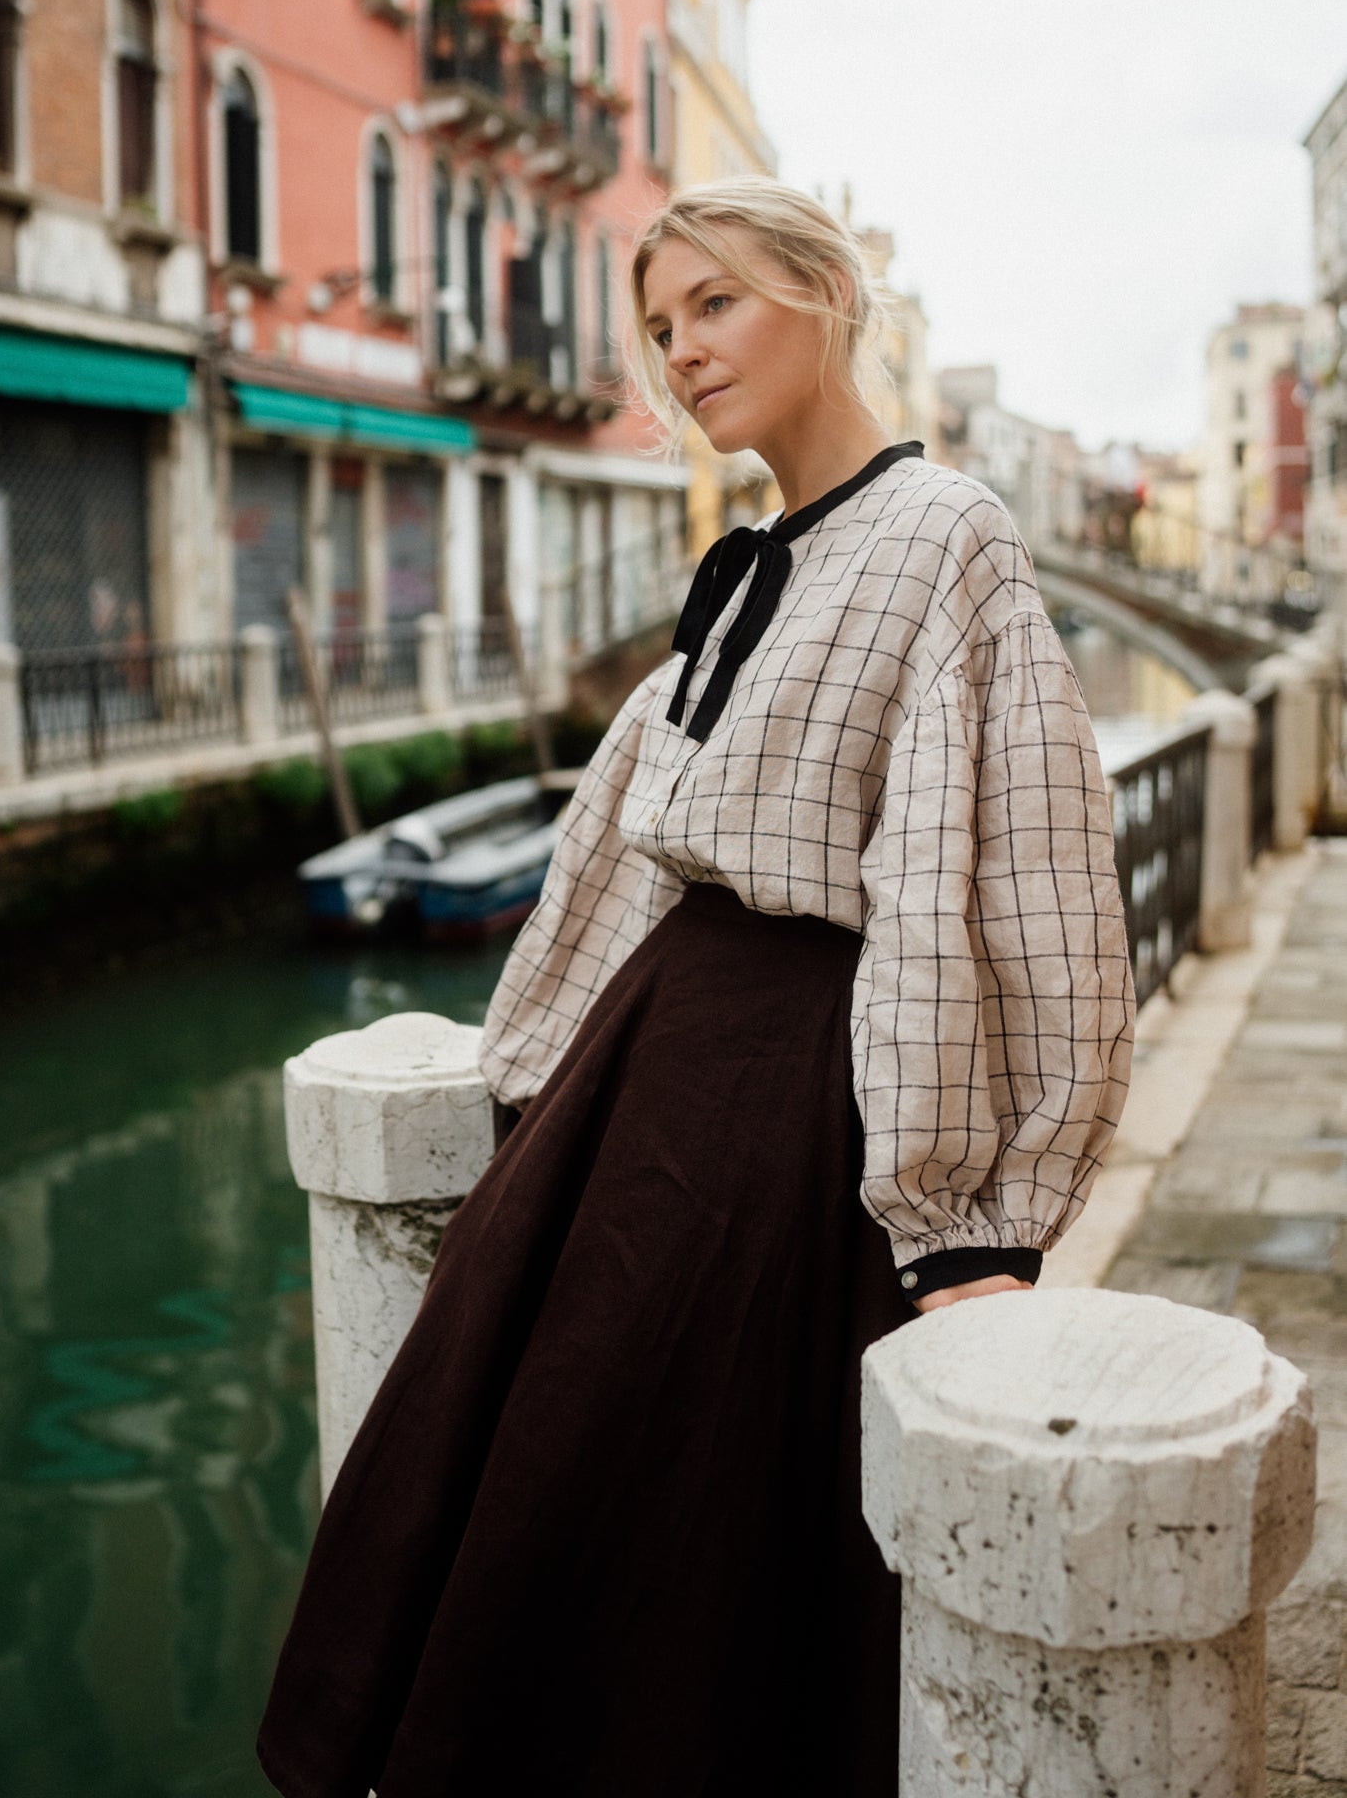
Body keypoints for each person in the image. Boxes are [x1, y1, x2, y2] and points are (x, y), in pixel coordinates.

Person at [257, 178, 1135, 1798]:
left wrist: (985, 1215)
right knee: (553, 1460)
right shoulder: (740, 562)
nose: (681, 354)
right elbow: (622, 837)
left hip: (807, 1083)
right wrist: (537, 1058)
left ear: (820, 290)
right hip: (647, 1055)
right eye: (662, 328)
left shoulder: (949, 533)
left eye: (713, 305)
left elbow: (1019, 874)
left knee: (697, 1506)